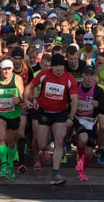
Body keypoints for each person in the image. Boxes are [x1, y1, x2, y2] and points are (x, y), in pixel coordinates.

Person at [24, 53, 78, 185]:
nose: (59, 69)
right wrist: (26, 99)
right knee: (41, 143)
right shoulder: (44, 74)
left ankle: (55, 173)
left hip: (60, 113)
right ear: (52, 67)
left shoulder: (69, 79)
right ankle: (45, 149)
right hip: (44, 112)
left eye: (61, 66)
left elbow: (75, 100)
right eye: (56, 66)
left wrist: (71, 117)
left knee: (59, 141)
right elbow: (30, 86)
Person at [73, 66, 104, 181]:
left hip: (91, 122)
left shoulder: (98, 90)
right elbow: (69, 101)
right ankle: (79, 157)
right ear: (82, 75)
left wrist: (98, 105)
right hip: (79, 118)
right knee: (83, 138)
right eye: (86, 74)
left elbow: (103, 109)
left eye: (91, 75)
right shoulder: (76, 87)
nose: (88, 77)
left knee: (89, 153)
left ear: (94, 76)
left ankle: (82, 171)